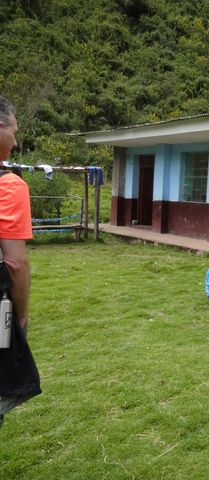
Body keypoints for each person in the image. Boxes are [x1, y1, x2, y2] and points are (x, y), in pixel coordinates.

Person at [0, 95, 41, 428]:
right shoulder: (9, 185)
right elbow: (15, 263)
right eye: (13, 129)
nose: (15, 140)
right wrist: (21, 316)